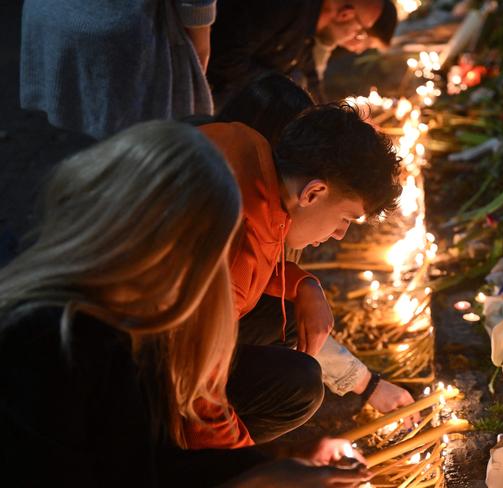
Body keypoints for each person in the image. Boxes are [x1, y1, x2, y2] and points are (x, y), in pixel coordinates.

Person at [0, 120, 370, 487]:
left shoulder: (124, 324)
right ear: (155, 243)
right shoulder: (52, 349)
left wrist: (277, 463)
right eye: (209, 255)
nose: (212, 283)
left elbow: (156, 460)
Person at [190, 102, 416, 448]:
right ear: (313, 193)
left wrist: (303, 284)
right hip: (129, 373)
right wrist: (251, 470)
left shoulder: (247, 146)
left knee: (294, 312)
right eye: (346, 218)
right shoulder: (237, 245)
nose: (340, 234)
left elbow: (253, 265)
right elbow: (194, 388)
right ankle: (175, 461)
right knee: (298, 386)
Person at [20, 0, 215, 139]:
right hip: (121, 33)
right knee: (153, 141)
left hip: (47, 14)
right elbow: (194, 11)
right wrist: (200, 41)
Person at [206, 0, 397, 104]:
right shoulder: (282, 8)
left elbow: (308, 71)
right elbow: (225, 59)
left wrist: (329, 115)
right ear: (345, 14)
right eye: (360, 31)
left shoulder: (308, 27)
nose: (356, 41)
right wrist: (283, 89)